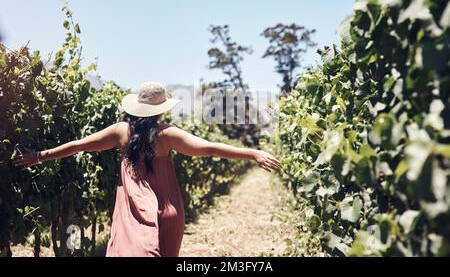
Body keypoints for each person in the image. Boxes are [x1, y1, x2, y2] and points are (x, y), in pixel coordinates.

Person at [12, 82, 281, 257]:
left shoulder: (120, 132)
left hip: (133, 216)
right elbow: (209, 148)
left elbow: (79, 146)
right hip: (169, 212)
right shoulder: (167, 135)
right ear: (161, 111)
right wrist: (253, 153)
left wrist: (38, 157)